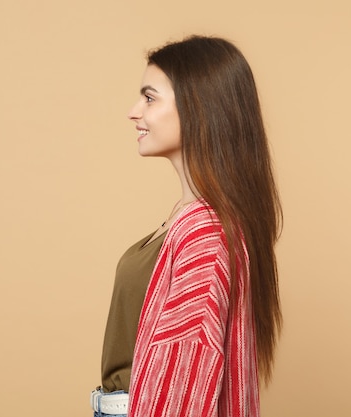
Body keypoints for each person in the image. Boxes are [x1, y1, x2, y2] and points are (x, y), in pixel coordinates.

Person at [91, 35, 282, 417]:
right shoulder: (190, 216)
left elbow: (185, 377)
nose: (134, 112)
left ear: (198, 108)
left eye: (149, 98)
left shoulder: (205, 231)